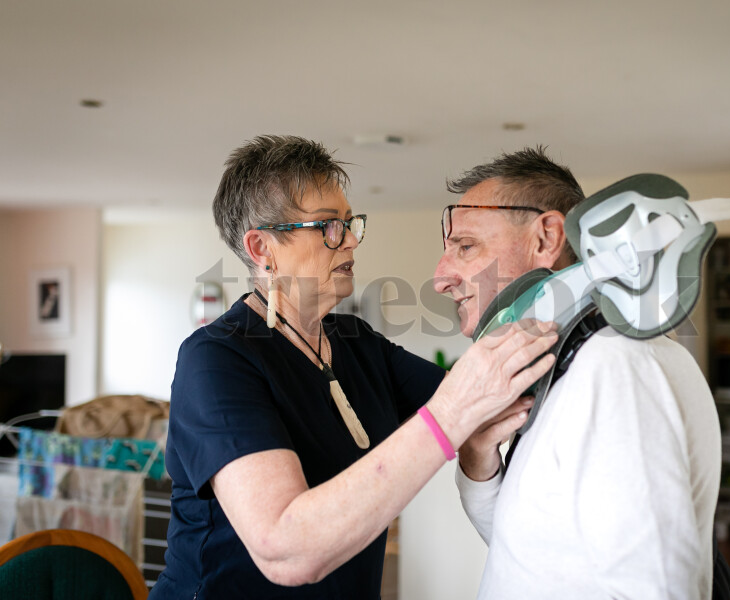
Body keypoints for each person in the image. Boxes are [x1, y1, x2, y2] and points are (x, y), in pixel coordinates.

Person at [150, 135, 558, 599]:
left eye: (349, 224)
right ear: (262, 248)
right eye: (328, 226)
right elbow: (285, 548)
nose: (349, 241)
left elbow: (486, 402)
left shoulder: (357, 342)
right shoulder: (216, 358)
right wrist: (451, 417)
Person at [433, 146, 726, 599]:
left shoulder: (615, 364)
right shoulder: (566, 365)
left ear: (546, 238)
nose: (440, 278)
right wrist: (477, 462)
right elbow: (532, 553)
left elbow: (658, 587)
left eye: (465, 246)